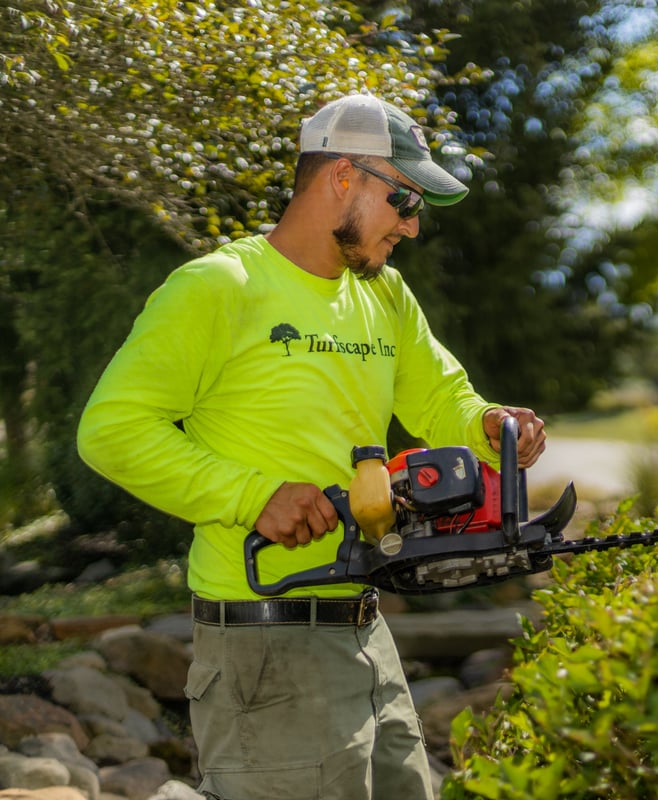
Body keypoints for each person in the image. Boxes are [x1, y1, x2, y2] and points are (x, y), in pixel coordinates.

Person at [77, 93, 547, 800]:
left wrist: (485, 425)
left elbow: (439, 398)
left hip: (364, 627)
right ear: (342, 178)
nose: (412, 227)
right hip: (264, 641)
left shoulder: (384, 295)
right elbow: (110, 431)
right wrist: (254, 497)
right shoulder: (219, 287)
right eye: (404, 200)